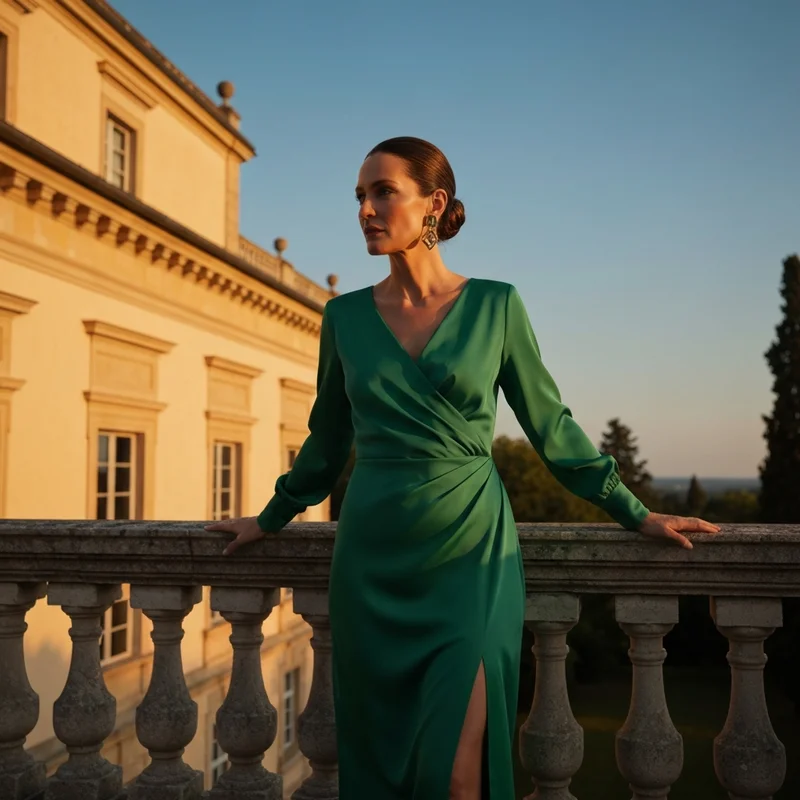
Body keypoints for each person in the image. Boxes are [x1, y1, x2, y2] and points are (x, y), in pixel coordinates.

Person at [206, 136, 720, 800]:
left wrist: (636, 510)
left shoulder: (496, 306)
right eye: (359, 196)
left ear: (433, 204)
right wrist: (270, 517)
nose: (365, 208)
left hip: (470, 560)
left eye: (382, 191)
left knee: (457, 774)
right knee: (382, 764)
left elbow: (551, 426)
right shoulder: (343, 318)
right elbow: (326, 445)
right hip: (372, 562)